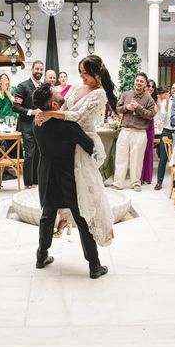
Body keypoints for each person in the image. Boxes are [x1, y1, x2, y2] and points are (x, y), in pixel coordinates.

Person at [34, 54, 117, 247]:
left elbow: (78, 115)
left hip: (83, 140)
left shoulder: (100, 93)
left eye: (86, 74)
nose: (81, 78)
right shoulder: (80, 87)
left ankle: (91, 235)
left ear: (97, 73)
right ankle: (64, 221)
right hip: (68, 140)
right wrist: (44, 111)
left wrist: (50, 113)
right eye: (80, 73)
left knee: (83, 192)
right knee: (69, 189)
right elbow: (63, 105)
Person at [32, 82, 108, 279]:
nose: (60, 92)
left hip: (46, 174)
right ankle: (94, 265)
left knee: (47, 217)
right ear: (55, 106)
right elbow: (90, 145)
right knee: (82, 218)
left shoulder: (38, 122)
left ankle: (41, 256)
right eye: (56, 93)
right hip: (67, 177)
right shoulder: (68, 126)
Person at [113, 72, 156, 192]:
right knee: (121, 157)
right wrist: (127, 107)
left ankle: (135, 182)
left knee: (137, 158)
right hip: (125, 130)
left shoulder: (149, 99)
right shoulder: (126, 94)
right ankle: (118, 182)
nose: (139, 83)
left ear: (145, 84)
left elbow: (151, 115)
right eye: (137, 80)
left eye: (141, 81)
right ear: (134, 81)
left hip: (139, 132)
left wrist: (138, 107)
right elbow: (117, 108)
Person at [13, 60, 44, 188]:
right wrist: (32, 112)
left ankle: (36, 182)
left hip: (41, 125)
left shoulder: (43, 86)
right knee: (30, 154)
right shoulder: (23, 86)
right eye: (37, 69)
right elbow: (15, 107)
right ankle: (28, 183)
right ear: (32, 69)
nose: (39, 72)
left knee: (39, 153)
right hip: (26, 126)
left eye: (41, 69)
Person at [154, 83, 175, 190]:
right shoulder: (166, 101)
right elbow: (160, 117)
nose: (174, 89)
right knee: (163, 158)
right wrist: (166, 104)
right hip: (166, 131)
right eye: (173, 88)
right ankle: (159, 182)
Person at [140, 79, 159, 185]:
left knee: (148, 151)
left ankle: (147, 177)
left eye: (153, 87)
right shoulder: (140, 97)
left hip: (149, 127)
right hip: (140, 125)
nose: (150, 88)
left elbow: (154, 112)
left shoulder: (155, 100)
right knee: (140, 151)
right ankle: (139, 176)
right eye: (148, 86)